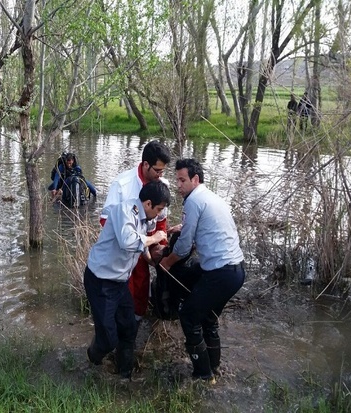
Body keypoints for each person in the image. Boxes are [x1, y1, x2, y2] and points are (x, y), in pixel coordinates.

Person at [160, 159, 245, 380]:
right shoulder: (211, 197)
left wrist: (166, 262)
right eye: (177, 179)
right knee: (208, 318)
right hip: (236, 272)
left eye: (182, 180)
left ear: (195, 179)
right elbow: (207, 228)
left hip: (220, 273)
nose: (178, 185)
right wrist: (182, 228)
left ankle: (203, 376)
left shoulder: (193, 201)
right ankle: (214, 368)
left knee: (188, 315)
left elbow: (185, 246)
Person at [85, 181, 170, 379]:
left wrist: (152, 260)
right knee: (108, 340)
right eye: (158, 209)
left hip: (120, 282)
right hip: (101, 281)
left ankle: (125, 374)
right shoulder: (125, 210)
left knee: (129, 327)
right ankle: (92, 360)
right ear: (148, 203)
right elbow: (129, 242)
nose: (158, 215)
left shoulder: (144, 217)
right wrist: (155, 238)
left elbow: (141, 247)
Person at [100, 140, 172, 320]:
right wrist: (139, 243)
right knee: (122, 288)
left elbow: (161, 220)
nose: (160, 175)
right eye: (157, 170)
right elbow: (105, 221)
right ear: (145, 164)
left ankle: (135, 324)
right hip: (122, 247)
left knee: (141, 287)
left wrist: (159, 246)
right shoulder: (122, 185)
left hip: (146, 243)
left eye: (163, 171)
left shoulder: (162, 184)